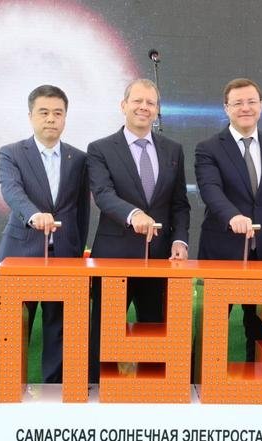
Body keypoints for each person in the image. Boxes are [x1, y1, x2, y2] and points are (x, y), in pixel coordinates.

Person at [0, 85, 90, 441]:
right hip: (20, 257)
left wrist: (76, 250)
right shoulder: (11, 153)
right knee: (10, 339)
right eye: (44, 112)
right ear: (30, 116)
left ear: (65, 117)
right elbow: (12, 192)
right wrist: (33, 215)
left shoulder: (78, 159)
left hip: (64, 260)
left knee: (60, 336)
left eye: (58, 113)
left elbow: (81, 211)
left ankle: (52, 408)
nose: (51, 119)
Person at [86, 78, 190, 382]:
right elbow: (103, 194)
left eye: (150, 103)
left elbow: (179, 203)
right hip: (114, 257)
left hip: (160, 258)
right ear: (124, 105)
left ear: (157, 110)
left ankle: (152, 392)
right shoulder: (100, 149)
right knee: (105, 330)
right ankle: (97, 390)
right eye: (138, 101)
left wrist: (180, 240)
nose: (144, 107)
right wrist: (133, 214)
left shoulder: (173, 150)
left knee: (155, 329)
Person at [195, 78, 262, 362]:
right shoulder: (208, 148)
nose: (245, 108)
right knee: (211, 333)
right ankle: (202, 384)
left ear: (261, 106)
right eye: (238, 103)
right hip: (221, 253)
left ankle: (261, 383)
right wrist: (233, 216)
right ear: (226, 108)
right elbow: (210, 190)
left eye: (251, 102)